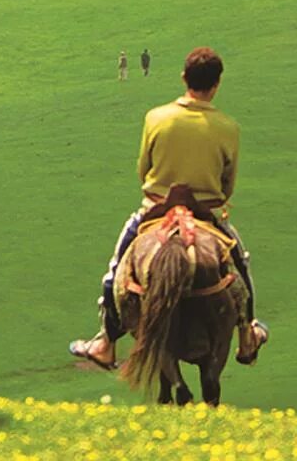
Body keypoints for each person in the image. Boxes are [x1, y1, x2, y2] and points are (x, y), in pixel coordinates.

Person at [69, 48, 267, 371]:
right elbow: (228, 182)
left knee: (118, 265)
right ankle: (247, 332)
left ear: (183, 78)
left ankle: (106, 341)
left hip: (157, 207)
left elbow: (143, 168)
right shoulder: (229, 127)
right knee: (241, 266)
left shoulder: (156, 117)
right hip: (207, 212)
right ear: (217, 85)